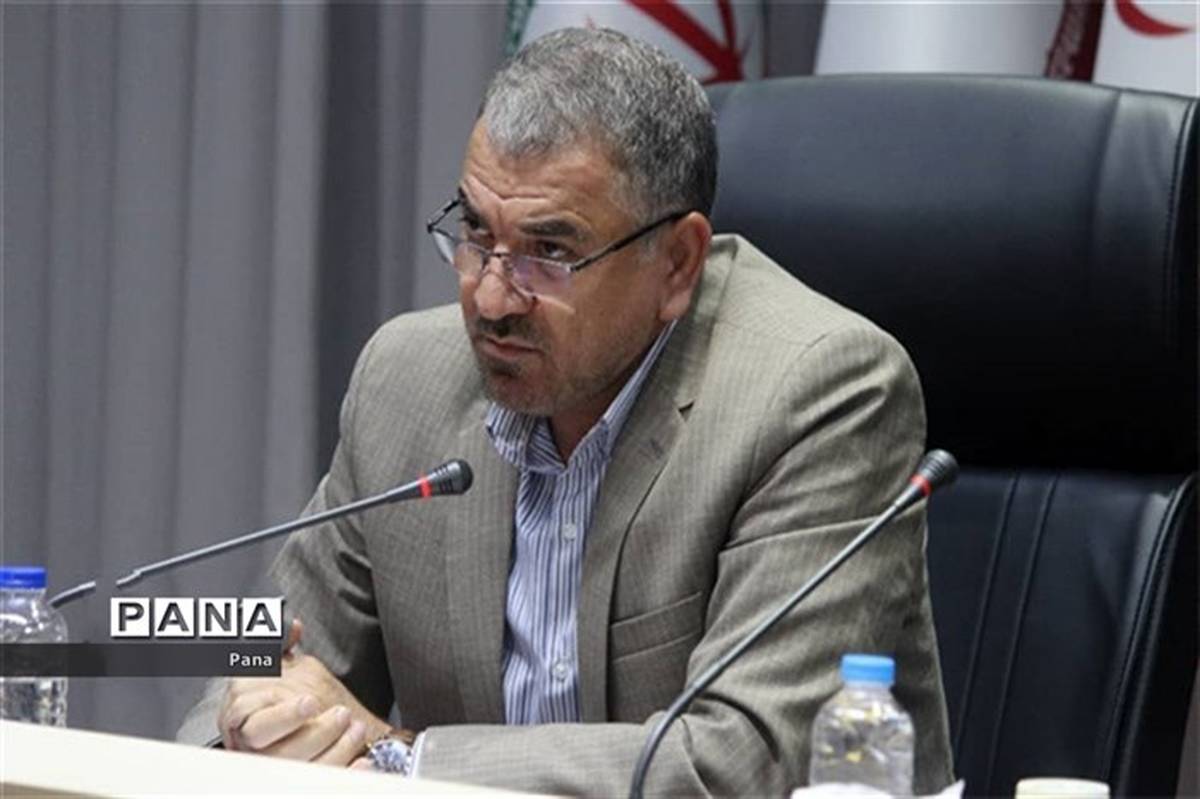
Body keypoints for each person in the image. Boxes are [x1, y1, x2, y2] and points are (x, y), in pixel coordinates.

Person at [178, 27, 953, 796]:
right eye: (476, 232)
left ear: (677, 263)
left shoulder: (819, 392)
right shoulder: (403, 378)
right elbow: (263, 647)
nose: (490, 298)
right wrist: (248, 724)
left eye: (548, 252)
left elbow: (743, 761)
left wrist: (400, 758)